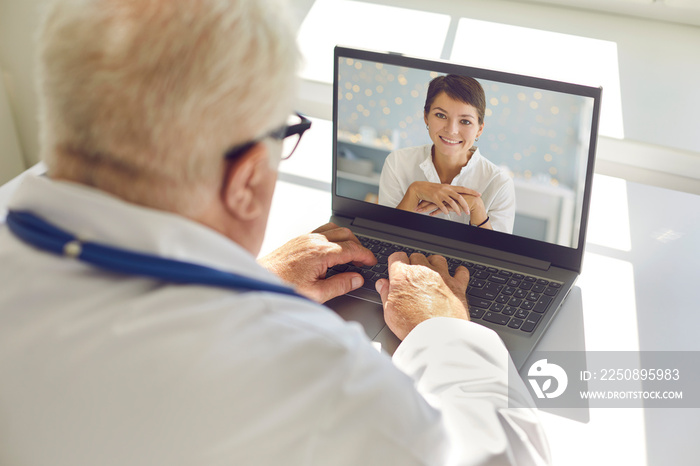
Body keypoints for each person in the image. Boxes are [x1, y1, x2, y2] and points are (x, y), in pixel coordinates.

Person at [0, 1, 549, 465]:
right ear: (245, 181)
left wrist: (248, 284)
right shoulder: (324, 391)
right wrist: (446, 332)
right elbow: (498, 454)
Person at [378, 74, 516, 234]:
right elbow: (385, 236)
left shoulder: (499, 183)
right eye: (441, 115)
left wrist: (478, 209)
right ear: (426, 117)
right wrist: (414, 192)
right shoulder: (398, 162)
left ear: (479, 129)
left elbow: (496, 257)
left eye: (465, 121)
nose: (451, 130)